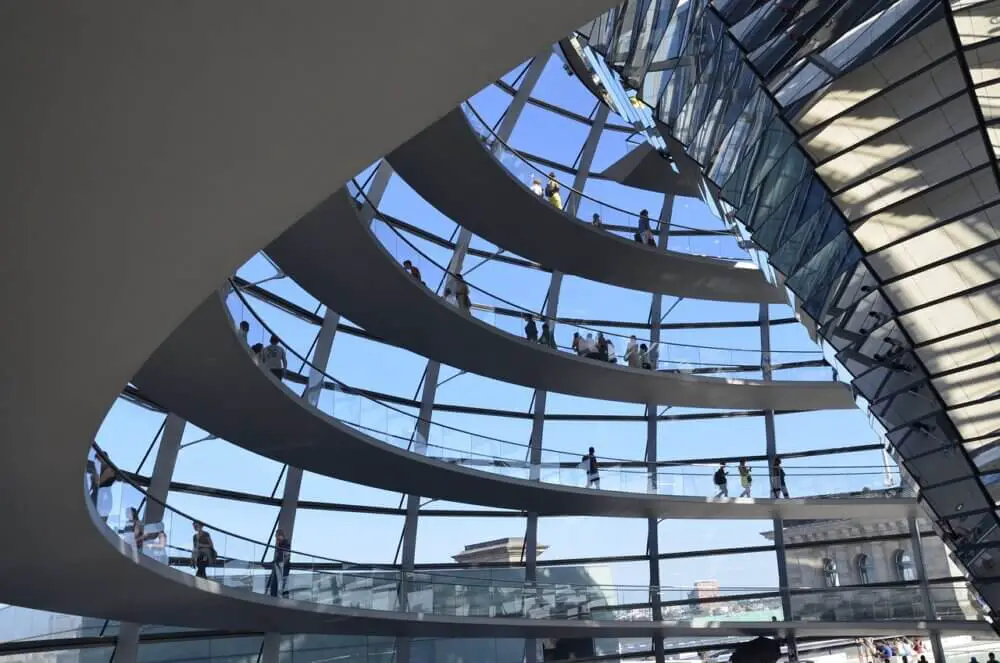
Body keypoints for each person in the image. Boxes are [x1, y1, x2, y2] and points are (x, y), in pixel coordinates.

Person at [267, 528, 292, 597]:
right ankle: (274, 596)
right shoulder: (280, 545)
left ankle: (278, 596)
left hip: (282, 566)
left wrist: (282, 563)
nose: (276, 539)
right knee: (276, 583)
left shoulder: (285, 544)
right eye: (276, 537)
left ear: (281, 536)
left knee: (281, 583)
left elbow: (286, 556)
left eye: (277, 536)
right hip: (279, 565)